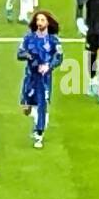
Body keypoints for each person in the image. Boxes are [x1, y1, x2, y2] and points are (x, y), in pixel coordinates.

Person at [18, 10, 63, 148]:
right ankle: (38, 119)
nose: (39, 23)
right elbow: (19, 53)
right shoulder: (28, 38)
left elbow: (59, 57)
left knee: (41, 104)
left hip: (44, 78)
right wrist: (28, 56)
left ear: (48, 22)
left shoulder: (54, 40)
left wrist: (49, 66)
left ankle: (39, 133)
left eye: (42, 20)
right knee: (26, 108)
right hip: (30, 76)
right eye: (38, 20)